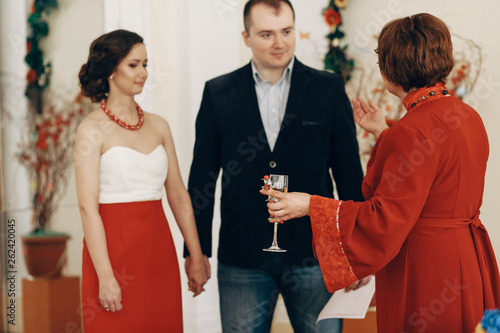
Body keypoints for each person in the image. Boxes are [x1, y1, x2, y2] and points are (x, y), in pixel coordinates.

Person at [262, 13, 500, 332]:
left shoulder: (412, 129)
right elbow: (439, 171)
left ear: (391, 68)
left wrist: (310, 205)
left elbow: (383, 219)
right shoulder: (467, 115)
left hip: (425, 266)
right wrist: (385, 134)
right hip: (468, 257)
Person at [184, 0, 366, 331]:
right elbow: (202, 180)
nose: (279, 43)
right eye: (266, 34)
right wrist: (196, 253)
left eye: (286, 32)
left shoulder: (327, 88)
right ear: (246, 37)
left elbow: (349, 174)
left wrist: (356, 250)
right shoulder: (218, 93)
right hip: (242, 258)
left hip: (315, 254)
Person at [75, 29, 208, 332]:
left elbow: (178, 195)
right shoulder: (90, 130)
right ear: (111, 69)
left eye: (145, 64)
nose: (143, 73)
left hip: (158, 253)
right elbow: (87, 210)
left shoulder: (159, 125)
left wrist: (196, 255)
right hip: (111, 254)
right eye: (134, 65)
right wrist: (107, 276)